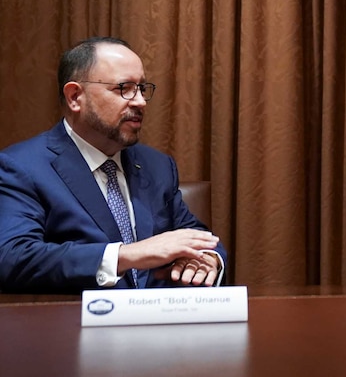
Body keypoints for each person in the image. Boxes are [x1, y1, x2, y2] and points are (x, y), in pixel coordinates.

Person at [0, 36, 227, 292]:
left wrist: (209, 259)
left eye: (142, 88)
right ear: (75, 96)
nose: (140, 101)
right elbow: (12, 257)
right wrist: (125, 256)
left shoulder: (157, 165)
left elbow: (193, 233)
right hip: (74, 327)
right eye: (124, 88)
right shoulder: (21, 167)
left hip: (160, 325)